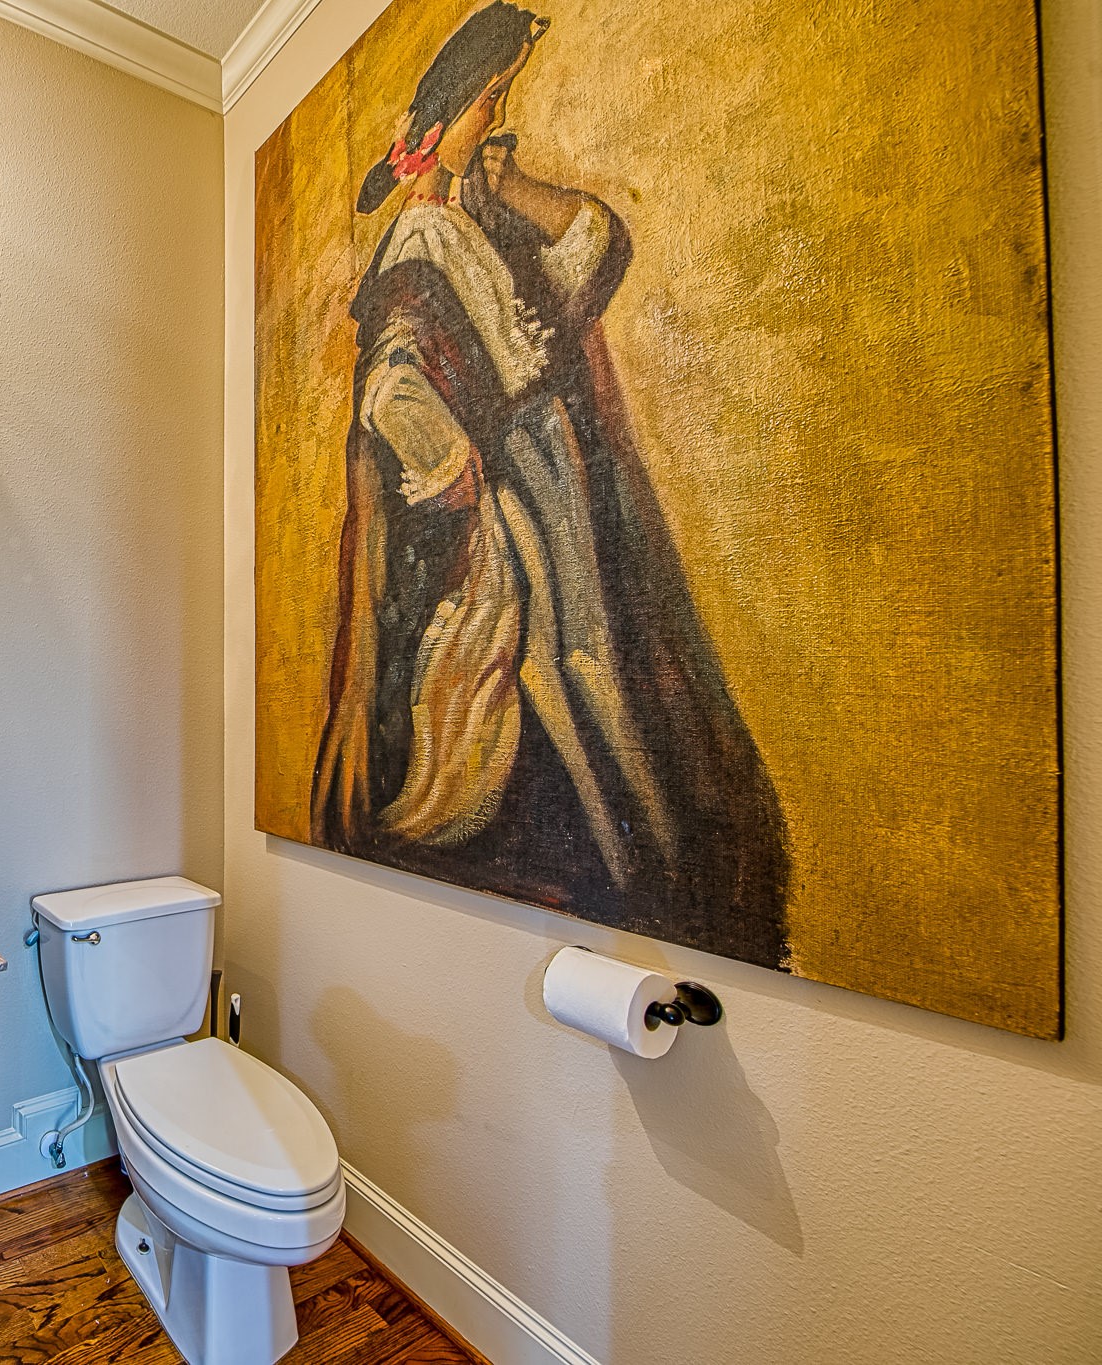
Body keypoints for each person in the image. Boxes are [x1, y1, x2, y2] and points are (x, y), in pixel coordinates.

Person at [309, 1, 789, 966]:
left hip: (555, 477)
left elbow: (594, 248)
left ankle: (640, 852)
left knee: (602, 660)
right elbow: (393, 384)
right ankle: (616, 858)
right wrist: (457, 478)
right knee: (562, 671)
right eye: (489, 104)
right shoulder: (421, 243)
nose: (497, 117)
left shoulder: (475, 219)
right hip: (516, 501)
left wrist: (515, 184)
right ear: (447, 122)